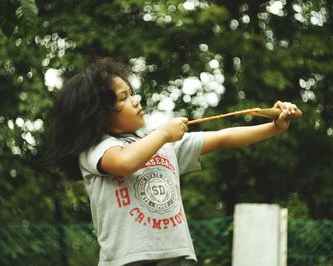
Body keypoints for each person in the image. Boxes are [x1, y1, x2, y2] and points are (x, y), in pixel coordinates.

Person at [44, 58, 299, 266]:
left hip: (178, 257)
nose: (136, 101)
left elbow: (223, 138)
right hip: (128, 261)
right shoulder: (96, 150)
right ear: (98, 115)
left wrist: (274, 127)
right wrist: (164, 133)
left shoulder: (164, 146)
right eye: (123, 99)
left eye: (131, 93)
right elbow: (124, 163)